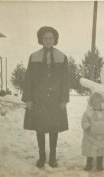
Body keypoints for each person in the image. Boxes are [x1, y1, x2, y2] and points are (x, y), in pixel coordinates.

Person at [22, 26, 70, 168]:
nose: (48, 40)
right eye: (45, 38)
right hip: (38, 100)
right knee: (40, 127)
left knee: (54, 128)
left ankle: (53, 157)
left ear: (55, 40)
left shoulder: (62, 57)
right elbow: (28, 79)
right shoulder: (34, 56)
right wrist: (29, 99)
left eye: (50, 38)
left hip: (55, 100)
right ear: (41, 40)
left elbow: (66, 81)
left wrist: (63, 99)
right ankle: (42, 156)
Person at [81, 92, 104, 171]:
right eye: (94, 102)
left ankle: (99, 164)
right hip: (91, 136)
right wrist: (87, 127)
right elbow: (84, 121)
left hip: (103, 136)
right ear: (91, 103)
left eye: (98, 102)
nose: (96, 104)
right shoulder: (88, 113)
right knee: (90, 151)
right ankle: (89, 164)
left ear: (103, 103)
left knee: (100, 151)